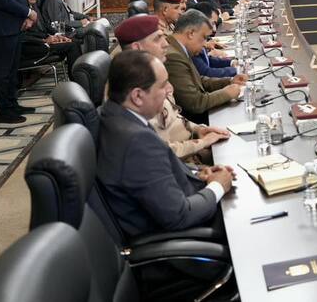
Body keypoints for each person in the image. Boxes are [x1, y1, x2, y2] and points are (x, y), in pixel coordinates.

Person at [97, 49, 235, 239]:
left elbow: (156, 178)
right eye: (163, 85)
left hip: (183, 203)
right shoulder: (136, 142)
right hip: (184, 237)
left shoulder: (117, 116)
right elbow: (179, 216)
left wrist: (199, 175)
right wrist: (218, 186)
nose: (170, 90)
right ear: (137, 96)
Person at [115, 15, 230, 165]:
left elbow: (174, 116)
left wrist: (199, 130)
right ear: (137, 47)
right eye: (157, 39)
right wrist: (201, 143)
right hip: (180, 164)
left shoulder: (152, 70)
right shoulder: (132, 86)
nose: (165, 44)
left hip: (191, 149)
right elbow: (158, 150)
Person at [165, 9, 245, 119]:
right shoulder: (173, 56)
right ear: (191, 33)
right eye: (204, 38)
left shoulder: (180, 49)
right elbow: (195, 103)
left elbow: (198, 81)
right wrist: (226, 93)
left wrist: (230, 81)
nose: (205, 44)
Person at [22, 0, 82, 69]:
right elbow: (23, 36)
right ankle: (77, 75)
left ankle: (81, 73)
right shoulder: (22, 12)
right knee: (73, 44)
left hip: (46, 38)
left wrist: (57, 36)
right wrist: (45, 40)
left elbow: (45, 26)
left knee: (75, 41)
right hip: (35, 45)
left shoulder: (34, 7)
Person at [192, 2, 237, 78]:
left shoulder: (199, 38)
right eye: (212, 23)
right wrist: (236, 70)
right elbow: (206, 72)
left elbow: (208, 61)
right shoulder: (192, 43)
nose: (214, 29)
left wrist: (231, 62)